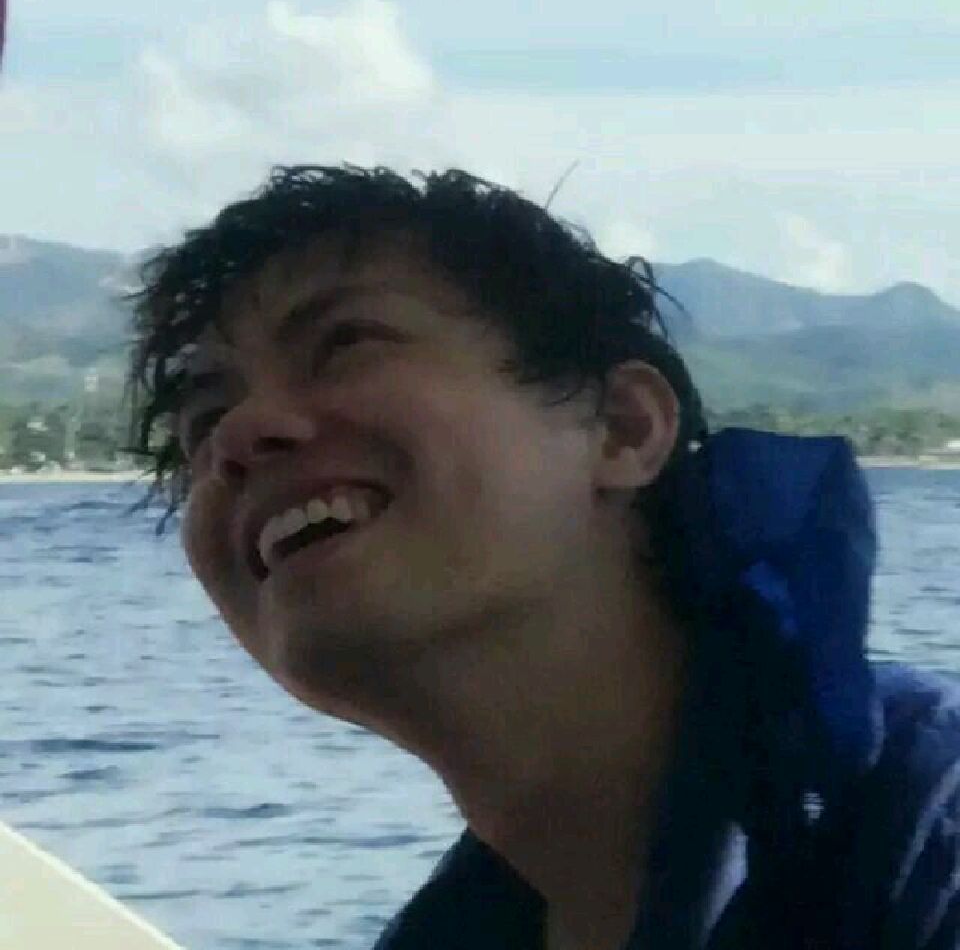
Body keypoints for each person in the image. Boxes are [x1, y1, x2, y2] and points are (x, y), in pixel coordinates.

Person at [127, 165, 960, 950]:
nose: (237, 436)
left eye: (344, 344)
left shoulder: (922, 832)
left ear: (624, 429)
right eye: (202, 423)